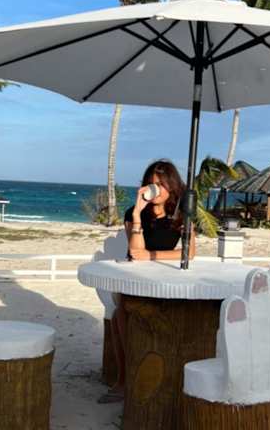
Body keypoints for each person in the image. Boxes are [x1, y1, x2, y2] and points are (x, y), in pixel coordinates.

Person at [98, 159, 196, 403]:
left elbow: (189, 252)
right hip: (136, 277)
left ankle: (142, 378)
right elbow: (135, 251)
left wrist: (153, 255)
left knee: (127, 314)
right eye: (152, 184)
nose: (156, 189)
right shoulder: (134, 212)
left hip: (165, 277)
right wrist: (137, 215)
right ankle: (125, 379)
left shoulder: (182, 215)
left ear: (172, 186)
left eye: (161, 184)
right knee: (121, 310)